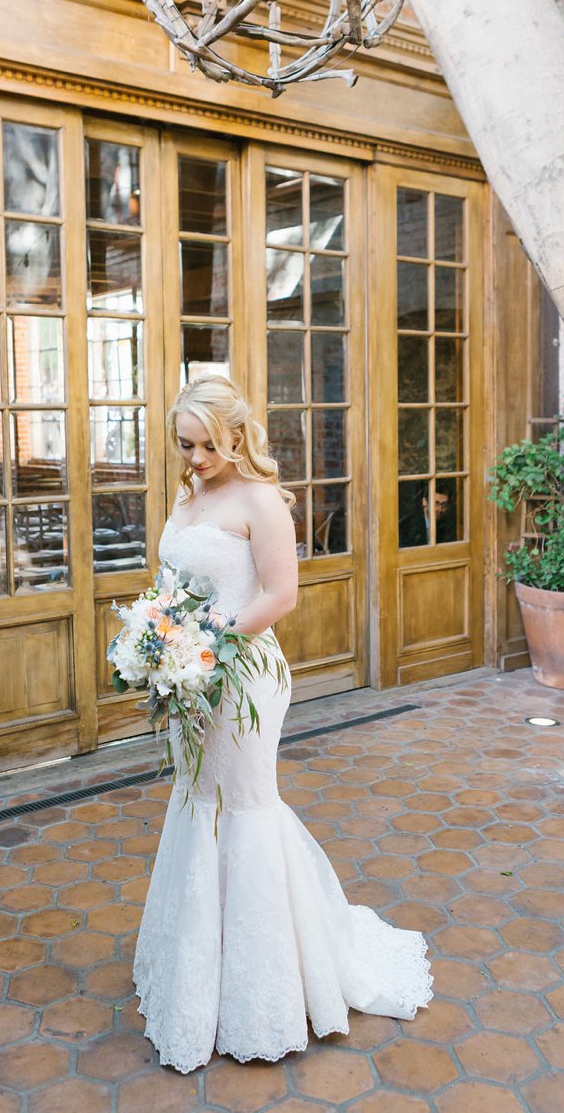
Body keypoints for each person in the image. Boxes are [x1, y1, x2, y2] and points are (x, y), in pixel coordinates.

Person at [133, 375, 432, 1072]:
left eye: (209, 444)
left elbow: (280, 594)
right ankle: (196, 970)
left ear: (237, 434)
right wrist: (161, 636)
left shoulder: (261, 500)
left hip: (243, 678)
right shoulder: (187, 494)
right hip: (190, 677)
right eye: (186, 445)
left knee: (244, 807)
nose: (198, 457)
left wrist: (201, 644)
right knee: (195, 800)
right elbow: (173, 584)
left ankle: (266, 979)